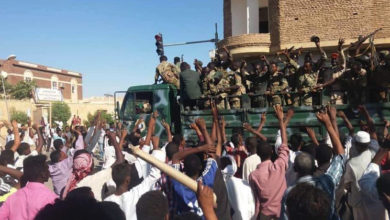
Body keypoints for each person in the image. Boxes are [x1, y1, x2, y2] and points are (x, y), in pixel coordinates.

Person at [280, 109, 345, 220]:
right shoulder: (326, 182)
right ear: (314, 166)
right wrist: (328, 124)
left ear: (295, 169)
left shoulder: (290, 192)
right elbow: (340, 157)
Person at [249, 105, 289, 219]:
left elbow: (256, 199)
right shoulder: (279, 166)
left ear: (258, 154)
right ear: (272, 152)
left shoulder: (253, 175)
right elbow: (284, 145)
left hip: (264, 215)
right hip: (281, 213)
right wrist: (281, 120)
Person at [104, 149, 165, 220]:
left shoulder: (106, 202)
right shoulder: (135, 194)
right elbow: (154, 175)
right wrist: (156, 152)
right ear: (127, 180)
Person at [0, 155, 57, 220]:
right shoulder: (51, 198)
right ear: (43, 174)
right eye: (47, 169)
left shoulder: (12, 197)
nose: (49, 172)